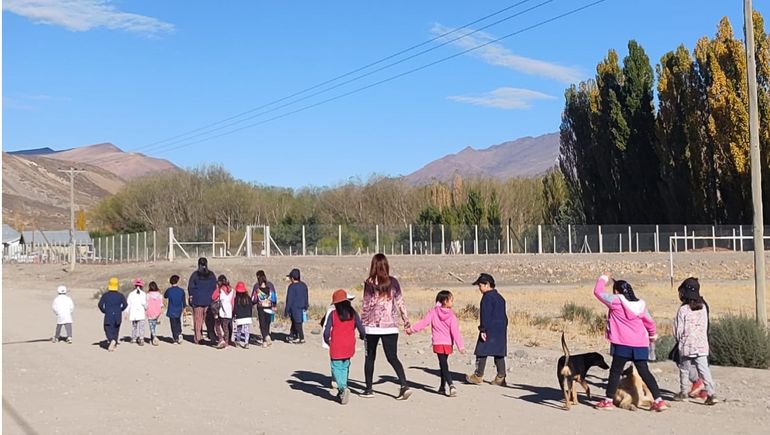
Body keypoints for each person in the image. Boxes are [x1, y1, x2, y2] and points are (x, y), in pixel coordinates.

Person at [593, 274, 669, 411]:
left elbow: (598, 292)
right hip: (640, 344)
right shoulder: (640, 304)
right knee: (645, 372)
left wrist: (603, 278)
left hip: (622, 344)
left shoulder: (615, 301)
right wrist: (652, 335)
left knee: (615, 371)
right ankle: (659, 401)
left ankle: (608, 401)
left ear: (616, 291)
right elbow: (650, 322)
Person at [360, 253, 412, 400]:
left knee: (370, 357)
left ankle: (369, 389)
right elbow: (401, 303)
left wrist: (362, 325)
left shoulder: (369, 282)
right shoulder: (393, 282)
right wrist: (406, 322)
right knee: (392, 357)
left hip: (372, 326)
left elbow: (367, 304)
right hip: (391, 327)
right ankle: (404, 385)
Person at [407, 290, 465, 397]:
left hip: (438, 342)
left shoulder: (433, 312)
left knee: (443, 365)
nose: (452, 302)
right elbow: (455, 331)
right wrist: (460, 346)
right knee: (444, 364)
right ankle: (447, 385)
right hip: (447, 344)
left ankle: (448, 385)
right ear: (445, 301)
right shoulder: (451, 315)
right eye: (451, 300)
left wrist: (412, 329)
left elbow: (423, 323)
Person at [673, 278, 717, 405]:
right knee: (704, 370)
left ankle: (684, 392)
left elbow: (678, 329)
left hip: (687, 346)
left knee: (684, 369)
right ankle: (711, 394)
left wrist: (680, 341)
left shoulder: (683, 310)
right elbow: (705, 326)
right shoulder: (703, 308)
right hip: (702, 346)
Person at [323, 289, 366, 405]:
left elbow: (326, 331)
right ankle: (343, 389)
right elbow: (361, 328)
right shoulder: (353, 313)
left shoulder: (333, 314)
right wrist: (363, 336)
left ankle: (342, 388)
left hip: (336, 344)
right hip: (349, 344)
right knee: (345, 366)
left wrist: (327, 340)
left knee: (336, 367)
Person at [466, 273, 508, 387]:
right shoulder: (500, 298)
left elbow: (485, 315)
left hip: (490, 328)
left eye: (480, 285)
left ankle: (478, 375)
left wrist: (483, 329)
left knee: (481, 351)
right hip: (501, 328)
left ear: (487, 284)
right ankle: (501, 376)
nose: (479, 288)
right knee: (499, 353)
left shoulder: (487, 297)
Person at [188, 257, 217, 344]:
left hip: (198, 300)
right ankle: (211, 335)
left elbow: (191, 287)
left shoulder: (195, 275)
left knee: (198, 320)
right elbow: (214, 287)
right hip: (209, 300)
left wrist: (191, 296)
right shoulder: (211, 275)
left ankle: (198, 338)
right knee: (210, 319)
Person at [98, 277, 127, 352]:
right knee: (116, 330)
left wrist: (104, 311)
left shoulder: (105, 295)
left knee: (107, 328)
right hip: (118, 315)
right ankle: (114, 342)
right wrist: (120, 310)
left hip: (109, 315)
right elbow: (125, 304)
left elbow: (100, 305)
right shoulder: (120, 295)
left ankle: (111, 340)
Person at [252, 270, 277, 347]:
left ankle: (265, 339)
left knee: (262, 323)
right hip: (269, 306)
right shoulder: (270, 285)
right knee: (267, 322)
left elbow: (254, 298)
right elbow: (274, 296)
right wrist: (274, 305)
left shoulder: (256, 286)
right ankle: (266, 337)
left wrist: (252, 304)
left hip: (261, 307)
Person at [284, 268, 309, 344]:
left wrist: (286, 310)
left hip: (294, 308)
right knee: (295, 322)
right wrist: (306, 305)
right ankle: (292, 335)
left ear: (292, 278)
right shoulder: (304, 285)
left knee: (298, 323)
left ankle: (301, 338)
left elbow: (289, 299)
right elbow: (306, 296)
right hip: (302, 307)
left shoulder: (292, 287)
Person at [211, 274, 235, 349]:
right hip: (229, 311)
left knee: (218, 325)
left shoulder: (220, 289)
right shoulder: (232, 290)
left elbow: (213, 297)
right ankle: (227, 342)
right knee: (226, 328)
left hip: (220, 310)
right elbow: (232, 302)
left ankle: (221, 340)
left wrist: (218, 288)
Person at [164, 275, 187, 344]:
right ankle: (179, 333)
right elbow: (184, 301)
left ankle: (175, 338)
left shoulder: (169, 290)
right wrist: (184, 308)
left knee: (173, 324)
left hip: (171, 309)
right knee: (178, 322)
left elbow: (165, 296)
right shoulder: (181, 291)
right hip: (178, 309)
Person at [126, 278, 148, 346]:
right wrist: (146, 309)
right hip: (141, 313)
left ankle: (133, 338)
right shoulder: (143, 294)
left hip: (134, 313)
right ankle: (141, 338)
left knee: (134, 326)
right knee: (141, 327)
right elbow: (144, 303)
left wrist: (126, 313)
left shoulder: (131, 294)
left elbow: (128, 304)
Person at [233, 281, 253, 349]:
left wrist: (234, 315)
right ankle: (246, 343)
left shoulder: (236, 299)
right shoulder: (248, 298)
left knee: (239, 329)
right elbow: (251, 306)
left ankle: (238, 342)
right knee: (247, 330)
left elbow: (235, 308)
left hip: (239, 317)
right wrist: (250, 314)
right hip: (247, 316)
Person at [146, 281, 163, 346]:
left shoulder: (148, 295)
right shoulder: (160, 295)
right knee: (153, 326)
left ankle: (155, 337)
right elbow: (161, 305)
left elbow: (146, 304)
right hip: (157, 312)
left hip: (150, 312)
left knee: (151, 327)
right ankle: (152, 338)